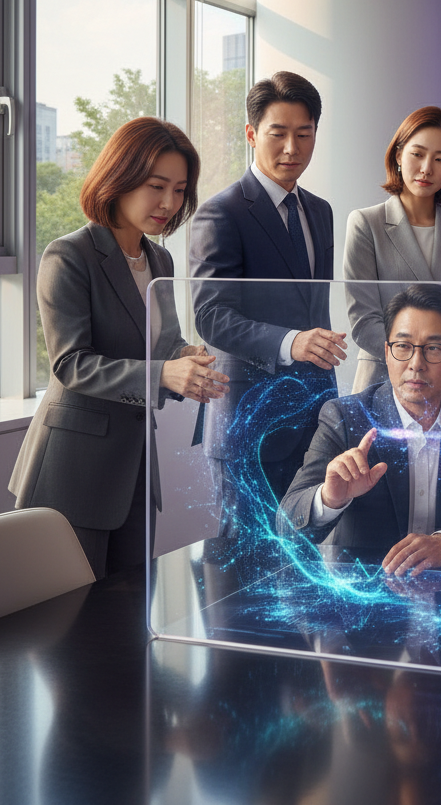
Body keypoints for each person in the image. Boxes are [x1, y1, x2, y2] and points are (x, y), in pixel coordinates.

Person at [9, 117, 228, 579]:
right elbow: (71, 364)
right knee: (70, 622)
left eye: (179, 190)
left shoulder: (159, 259)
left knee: (128, 615)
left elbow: (160, 344)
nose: (168, 203)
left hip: (135, 470)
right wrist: (163, 374)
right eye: (156, 186)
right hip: (75, 470)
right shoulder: (68, 256)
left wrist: (186, 357)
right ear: (120, 177)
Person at [189, 71, 345, 534]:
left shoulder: (320, 210)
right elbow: (211, 316)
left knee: (310, 566)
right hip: (249, 423)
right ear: (252, 134)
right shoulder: (222, 212)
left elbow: (313, 307)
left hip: (316, 417)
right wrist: (292, 342)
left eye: (304, 134)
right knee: (248, 570)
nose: (291, 149)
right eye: (278, 134)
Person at [279, 284, 441, 574]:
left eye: (434, 349)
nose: (416, 364)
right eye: (403, 346)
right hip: (367, 597)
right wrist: (329, 497)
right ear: (386, 352)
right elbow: (286, 522)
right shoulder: (345, 416)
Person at [343, 106, 441, 395]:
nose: (426, 168)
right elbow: (363, 321)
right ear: (398, 155)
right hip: (384, 380)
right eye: (417, 154)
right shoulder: (366, 223)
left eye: (440, 159)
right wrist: (419, 360)